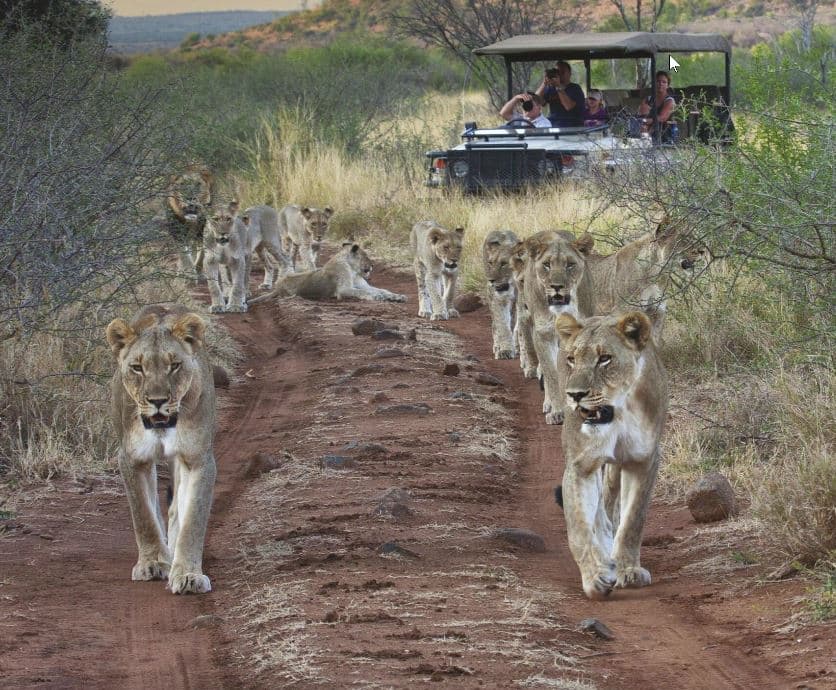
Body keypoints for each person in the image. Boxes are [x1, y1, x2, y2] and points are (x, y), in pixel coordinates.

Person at [537, 62, 585, 128]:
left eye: (562, 72)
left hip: (572, 126)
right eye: (557, 72)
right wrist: (544, 83)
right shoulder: (551, 88)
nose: (559, 75)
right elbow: (536, 101)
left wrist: (558, 86)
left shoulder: (575, 88)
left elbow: (568, 106)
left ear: (570, 74)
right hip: (553, 125)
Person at [637, 70, 678, 142]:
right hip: (647, 132)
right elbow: (641, 112)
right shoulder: (648, 99)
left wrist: (647, 120)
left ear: (668, 85)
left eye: (664, 82)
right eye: (658, 81)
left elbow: (662, 118)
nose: (660, 84)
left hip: (665, 135)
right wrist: (644, 119)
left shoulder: (669, 101)